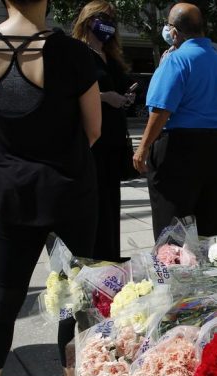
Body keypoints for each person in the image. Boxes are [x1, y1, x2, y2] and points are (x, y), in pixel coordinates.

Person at [0, 0, 101, 376]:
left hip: (12, 193)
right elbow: (93, 129)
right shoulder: (75, 55)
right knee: (73, 298)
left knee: (3, 296)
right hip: (68, 192)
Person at [133, 3, 217, 239]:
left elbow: (161, 110)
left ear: (174, 31)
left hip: (179, 149)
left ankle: (173, 271)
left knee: (172, 226)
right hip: (215, 148)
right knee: (213, 225)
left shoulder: (176, 60)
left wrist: (143, 147)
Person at [72, 0, 133, 262]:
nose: (109, 24)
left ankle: (111, 255)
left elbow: (120, 85)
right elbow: (72, 94)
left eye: (112, 19)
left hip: (114, 138)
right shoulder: (77, 53)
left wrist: (126, 96)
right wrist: (105, 97)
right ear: (88, 21)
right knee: (94, 202)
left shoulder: (111, 54)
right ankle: (94, 258)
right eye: (103, 18)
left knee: (111, 201)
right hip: (93, 140)